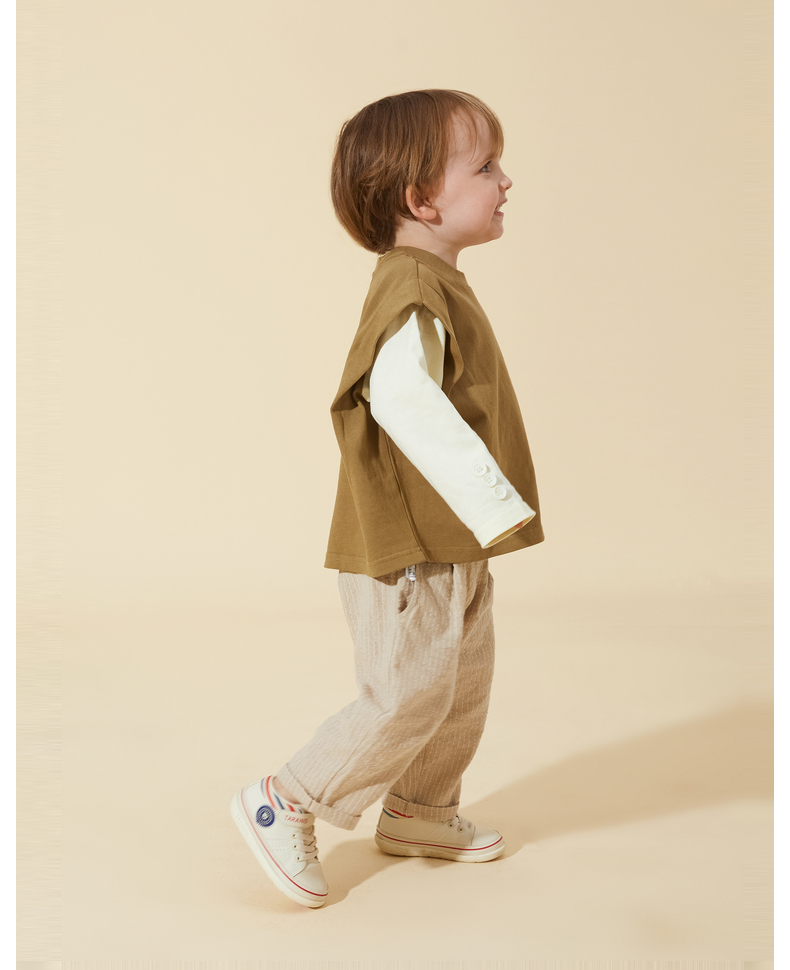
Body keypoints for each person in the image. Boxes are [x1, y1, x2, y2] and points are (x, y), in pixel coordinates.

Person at [230, 89, 544, 908]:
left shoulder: (435, 280)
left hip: (449, 543)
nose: (506, 180)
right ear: (421, 200)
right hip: (412, 546)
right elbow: (402, 400)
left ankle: (419, 811)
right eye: (486, 167)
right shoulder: (412, 285)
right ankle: (286, 799)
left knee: (461, 683)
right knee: (407, 691)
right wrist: (493, 501)